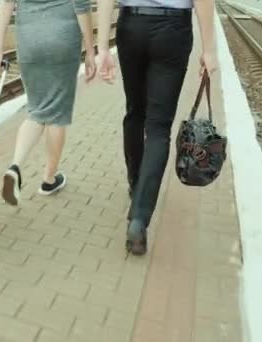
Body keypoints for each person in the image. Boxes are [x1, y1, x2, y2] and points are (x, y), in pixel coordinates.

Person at [96, 0, 218, 255]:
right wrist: (209, 49)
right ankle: (139, 218)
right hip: (174, 30)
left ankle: (135, 182)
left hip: (132, 26)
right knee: (159, 128)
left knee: (135, 112)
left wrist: (103, 46)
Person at [0, 0, 97, 206]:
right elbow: (82, 6)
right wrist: (91, 50)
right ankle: (48, 180)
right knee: (58, 113)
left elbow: (6, 3)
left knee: (36, 110)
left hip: (29, 41)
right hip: (63, 38)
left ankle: (15, 166)